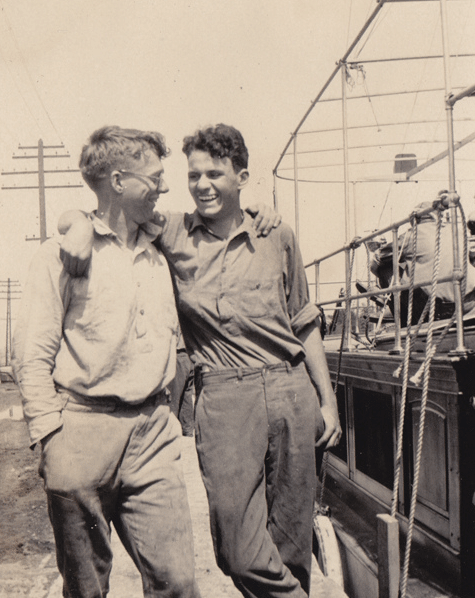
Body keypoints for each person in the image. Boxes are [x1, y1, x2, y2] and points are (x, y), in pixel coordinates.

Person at [59, 124, 341, 598]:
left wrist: (327, 402)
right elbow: (103, 208)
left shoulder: (277, 234)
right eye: (193, 175)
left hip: (293, 390)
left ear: (242, 176)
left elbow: (305, 322)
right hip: (228, 398)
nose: (202, 185)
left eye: (214, 174)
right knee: (237, 551)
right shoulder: (171, 232)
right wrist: (77, 223)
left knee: (291, 542)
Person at [11, 126, 202, 598]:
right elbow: (30, 356)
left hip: (153, 433)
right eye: (154, 177)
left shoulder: (164, 244)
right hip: (80, 434)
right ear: (118, 181)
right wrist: (51, 437)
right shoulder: (59, 257)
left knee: (177, 583)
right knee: (87, 587)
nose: (164, 187)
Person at [370, 201, 475, 324]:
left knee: (386, 267)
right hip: (469, 302)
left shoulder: (411, 236)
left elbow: (375, 263)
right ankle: (387, 299)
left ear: (415, 218)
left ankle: (396, 313)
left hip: (438, 309)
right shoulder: (458, 231)